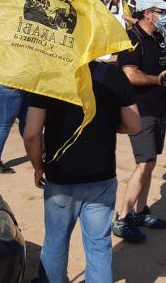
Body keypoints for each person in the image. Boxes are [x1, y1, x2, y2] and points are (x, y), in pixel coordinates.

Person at [25, 62, 142, 283]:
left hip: (60, 178)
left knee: (55, 242)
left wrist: (38, 166)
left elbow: (31, 134)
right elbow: (134, 125)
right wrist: (106, 125)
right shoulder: (113, 74)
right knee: (99, 247)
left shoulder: (47, 74)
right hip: (101, 176)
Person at [114, 0, 166, 242]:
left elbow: (164, 66)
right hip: (139, 109)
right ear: (147, 13)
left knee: (151, 162)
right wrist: (158, 79)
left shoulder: (159, 37)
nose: (164, 15)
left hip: (158, 107)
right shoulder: (132, 39)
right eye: (160, 11)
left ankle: (140, 211)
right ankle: (122, 218)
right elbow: (130, 75)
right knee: (143, 163)